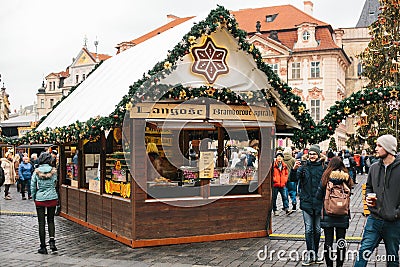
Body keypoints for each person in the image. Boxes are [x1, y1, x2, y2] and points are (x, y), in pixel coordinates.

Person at [354, 134, 400, 267]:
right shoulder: (374, 167)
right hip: (374, 220)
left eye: (379, 146)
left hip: (393, 222)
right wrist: (369, 196)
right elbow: (369, 186)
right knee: (362, 254)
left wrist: (396, 213)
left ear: (388, 148)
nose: (376, 148)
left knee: (393, 258)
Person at [289, 144, 325, 265]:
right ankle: (310, 254)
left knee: (318, 230)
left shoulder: (323, 167)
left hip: (319, 203)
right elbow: (293, 180)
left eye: (314, 154)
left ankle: (315, 253)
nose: (312, 156)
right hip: (307, 202)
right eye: (310, 154)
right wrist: (294, 169)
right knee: (309, 229)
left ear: (318, 155)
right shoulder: (304, 167)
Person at [316, 157, 353, 267]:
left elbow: (318, 196)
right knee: (341, 241)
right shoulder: (346, 178)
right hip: (343, 213)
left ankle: (329, 265)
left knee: (328, 241)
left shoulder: (326, 177)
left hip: (328, 213)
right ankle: (339, 265)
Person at [31, 152, 59, 254]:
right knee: (51, 220)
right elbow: (56, 184)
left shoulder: (36, 172)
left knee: (41, 223)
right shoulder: (54, 171)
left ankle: (43, 246)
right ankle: (52, 241)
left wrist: (34, 197)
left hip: (40, 199)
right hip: (52, 197)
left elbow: (33, 186)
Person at [283, 147, 297, 211]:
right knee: (293, 191)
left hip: (283, 178)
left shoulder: (282, 159)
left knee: (285, 192)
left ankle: (286, 206)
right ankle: (294, 202)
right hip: (292, 178)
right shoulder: (293, 159)